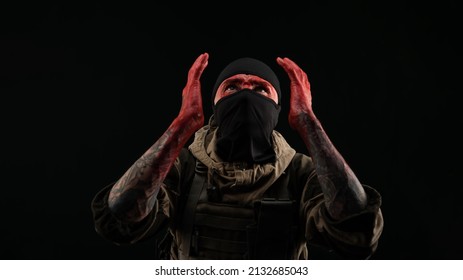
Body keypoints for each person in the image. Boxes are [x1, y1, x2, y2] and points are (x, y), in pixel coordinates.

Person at [91, 52, 384, 260]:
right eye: (232, 87)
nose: (246, 94)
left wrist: (308, 123)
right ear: (215, 105)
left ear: (279, 109)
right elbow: (122, 215)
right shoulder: (183, 167)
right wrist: (182, 126)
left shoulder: (299, 173)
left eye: (260, 88)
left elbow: (354, 227)